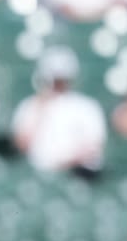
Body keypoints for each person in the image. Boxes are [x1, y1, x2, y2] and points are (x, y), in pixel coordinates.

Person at [11, 46, 106, 175]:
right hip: (36, 175)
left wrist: (62, 167)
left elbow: (93, 147)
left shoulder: (87, 107)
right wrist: (40, 109)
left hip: (75, 176)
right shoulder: (31, 105)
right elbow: (21, 144)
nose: (57, 83)